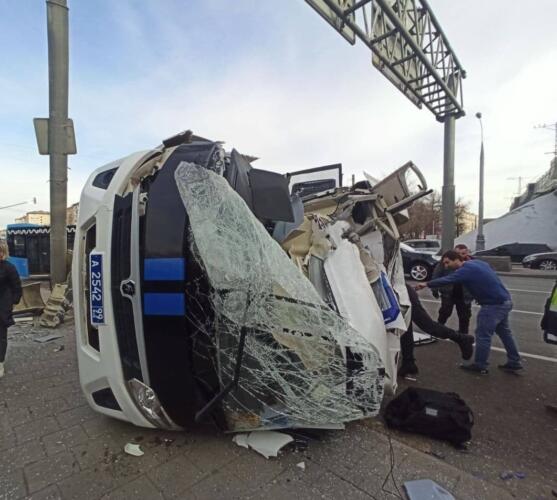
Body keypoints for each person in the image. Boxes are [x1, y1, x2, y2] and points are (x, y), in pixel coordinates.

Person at [415, 250, 522, 374]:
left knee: (482, 335)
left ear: (456, 259)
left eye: (447, 262)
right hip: (504, 300)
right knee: (505, 333)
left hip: (492, 305)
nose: (446, 266)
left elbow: (449, 279)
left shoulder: (465, 270)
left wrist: (426, 284)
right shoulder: (477, 263)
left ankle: (480, 365)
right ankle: (514, 362)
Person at [399, 283, 474, 378]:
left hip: (400, 292)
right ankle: (408, 362)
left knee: (426, 324)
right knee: (405, 327)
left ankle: (461, 338)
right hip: (397, 291)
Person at [430, 243, 473, 334]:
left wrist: (477, 294)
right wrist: (434, 289)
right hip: (448, 293)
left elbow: (478, 280)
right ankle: (439, 329)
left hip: (465, 295)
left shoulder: (472, 263)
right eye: (458, 253)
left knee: (464, 316)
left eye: (463, 253)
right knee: (445, 312)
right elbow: (436, 275)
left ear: (467, 252)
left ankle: (463, 334)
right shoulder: (446, 262)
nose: (461, 256)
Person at [0, 241, 22, 379]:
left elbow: (17, 287)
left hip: (2, 307)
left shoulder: (9, 268)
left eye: (0, 251)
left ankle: (0, 363)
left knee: (1, 337)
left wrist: (12, 302)